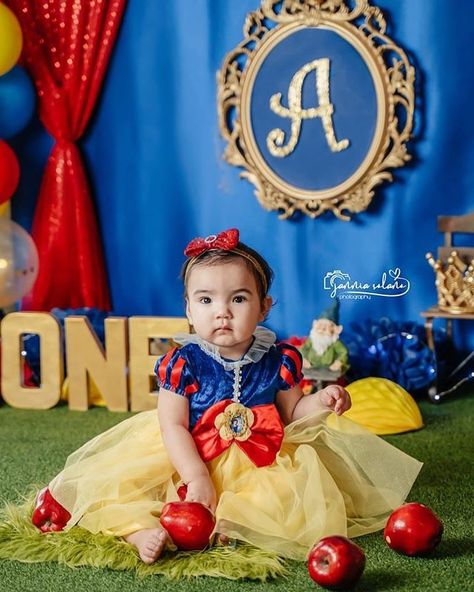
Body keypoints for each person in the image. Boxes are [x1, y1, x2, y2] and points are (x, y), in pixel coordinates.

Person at [44, 228, 422, 565]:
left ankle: (234, 526)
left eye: (238, 299)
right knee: (129, 490)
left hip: (259, 458)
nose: (222, 312)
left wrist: (322, 402)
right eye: (206, 300)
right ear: (189, 309)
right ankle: (138, 531)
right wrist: (195, 476)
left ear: (263, 307)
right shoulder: (182, 363)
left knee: (284, 503)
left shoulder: (281, 360)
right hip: (188, 453)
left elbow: (291, 413)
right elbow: (171, 425)